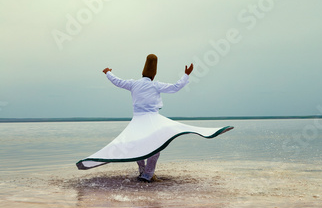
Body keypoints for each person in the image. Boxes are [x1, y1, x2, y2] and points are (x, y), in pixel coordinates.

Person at [76, 54, 233, 180]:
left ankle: (143, 171)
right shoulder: (155, 85)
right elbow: (175, 87)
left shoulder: (133, 83)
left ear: (142, 71)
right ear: (154, 73)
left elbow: (117, 81)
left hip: (138, 120)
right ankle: (147, 174)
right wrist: (186, 75)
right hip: (150, 119)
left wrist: (108, 72)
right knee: (154, 147)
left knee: (135, 143)